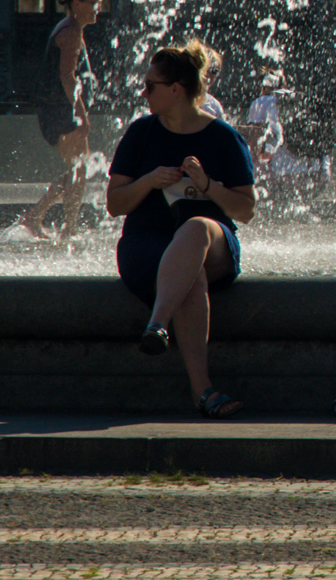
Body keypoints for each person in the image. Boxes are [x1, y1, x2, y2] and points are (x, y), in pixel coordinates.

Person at [105, 39, 255, 418]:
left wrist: (207, 185)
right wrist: (148, 181)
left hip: (213, 242)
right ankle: (203, 391)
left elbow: (246, 210)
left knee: (196, 228)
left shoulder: (222, 137)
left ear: (176, 90)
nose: (143, 92)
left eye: (150, 85)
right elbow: (115, 204)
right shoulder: (141, 133)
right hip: (148, 245)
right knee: (192, 279)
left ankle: (157, 323)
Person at [21, 0, 103, 240]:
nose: (97, 9)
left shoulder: (70, 28)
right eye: (94, 3)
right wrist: (81, 114)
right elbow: (67, 77)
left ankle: (42, 218)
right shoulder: (70, 33)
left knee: (78, 171)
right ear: (77, 4)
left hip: (58, 108)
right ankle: (65, 226)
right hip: (61, 110)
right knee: (79, 170)